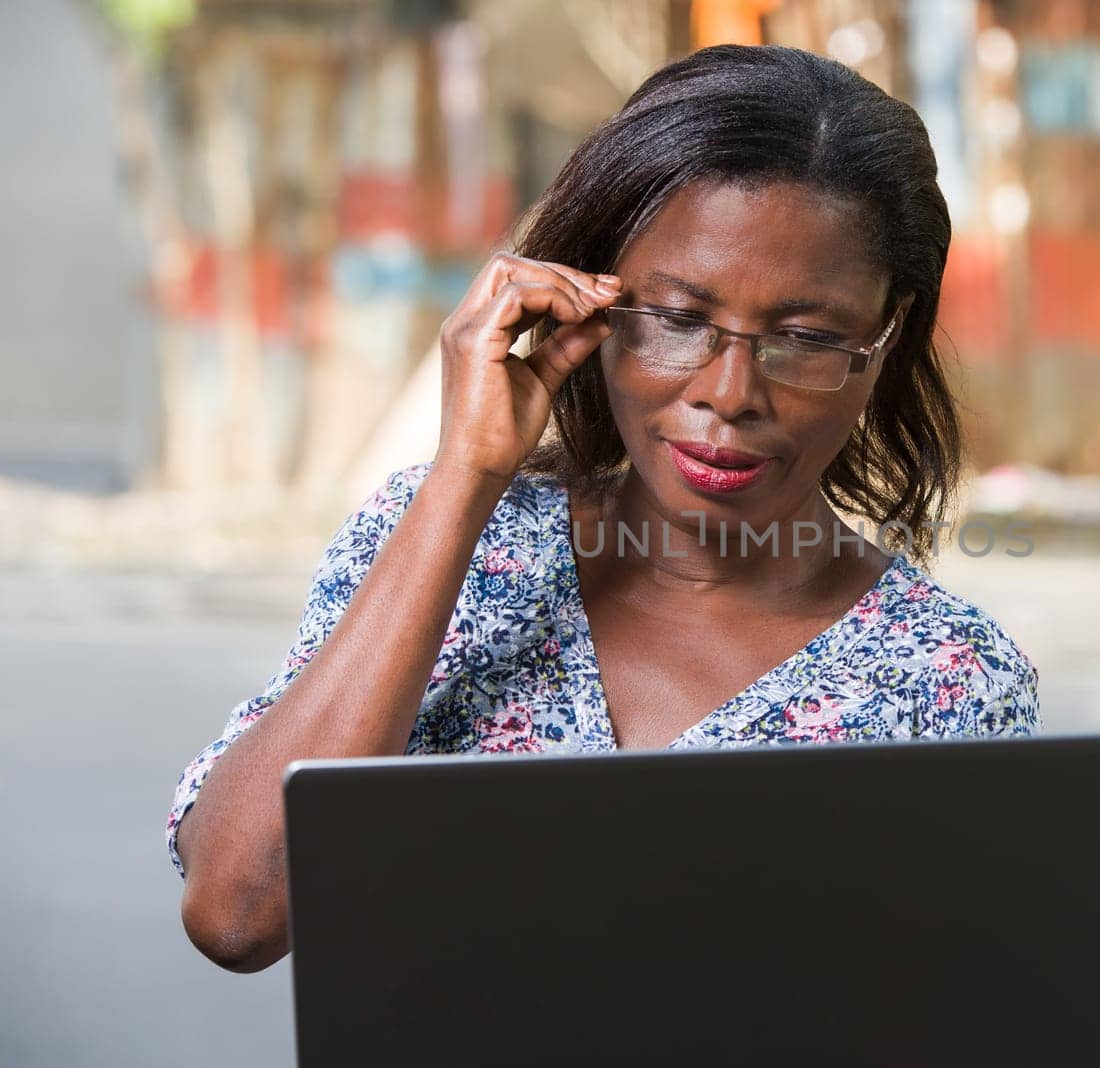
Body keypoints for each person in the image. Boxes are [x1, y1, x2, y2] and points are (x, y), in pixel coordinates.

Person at [169, 44, 1038, 974]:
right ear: (591, 301)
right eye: (675, 317)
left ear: (886, 333)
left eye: (805, 336)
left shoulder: (951, 680)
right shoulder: (449, 549)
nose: (730, 391)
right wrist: (465, 477)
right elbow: (239, 910)